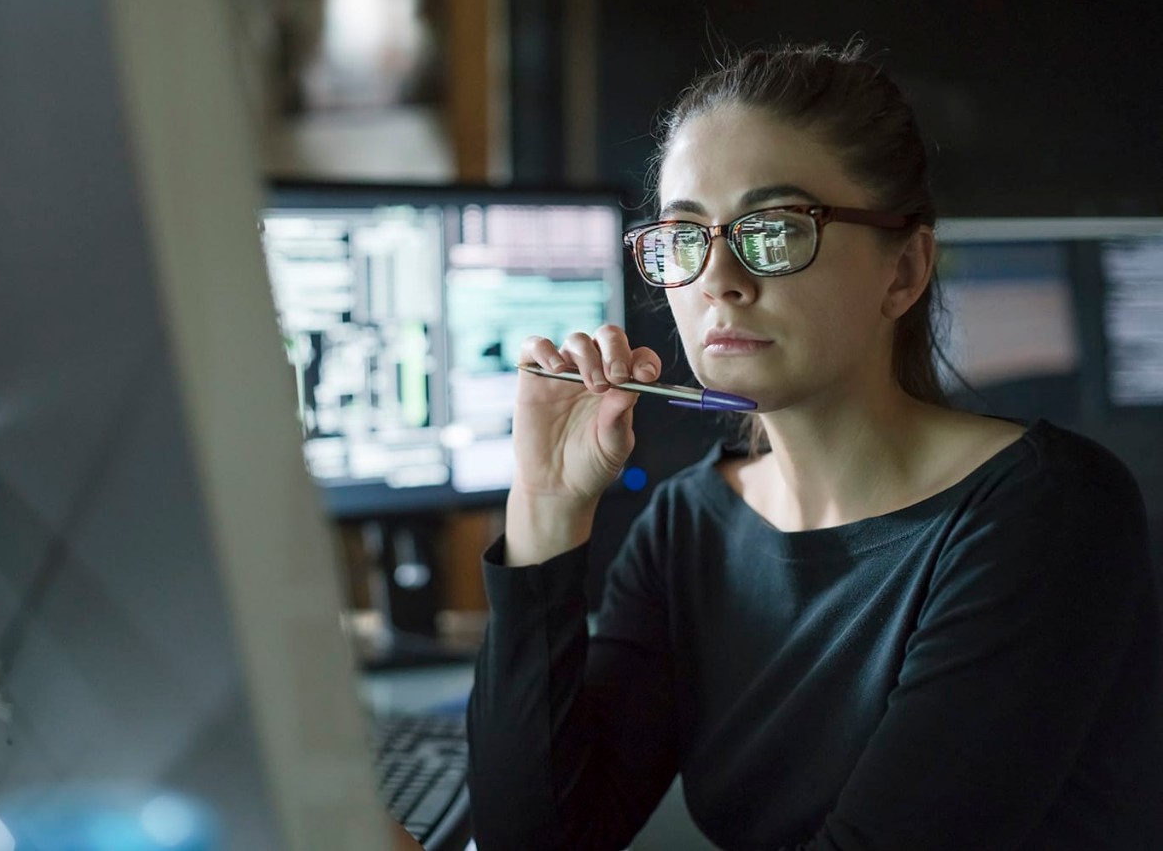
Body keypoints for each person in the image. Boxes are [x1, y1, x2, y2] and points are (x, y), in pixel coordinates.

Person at [465, 42, 1163, 851]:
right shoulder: (688, 527)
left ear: (903, 271)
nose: (718, 276)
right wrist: (546, 508)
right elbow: (539, 840)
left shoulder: (1048, 513)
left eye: (774, 229)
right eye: (684, 236)